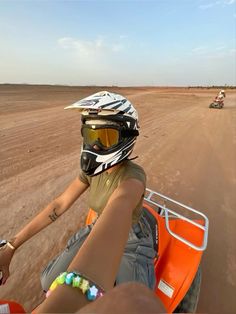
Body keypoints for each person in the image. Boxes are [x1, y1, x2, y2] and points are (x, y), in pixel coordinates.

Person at [0, 91, 156, 310]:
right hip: (98, 226)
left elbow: (120, 205)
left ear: (127, 136)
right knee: (48, 281)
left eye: (106, 137)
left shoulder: (133, 176)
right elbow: (59, 204)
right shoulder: (92, 172)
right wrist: (11, 246)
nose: (96, 145)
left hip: (132, 239)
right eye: (91, 136)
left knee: (133, 305)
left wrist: (76, 290)